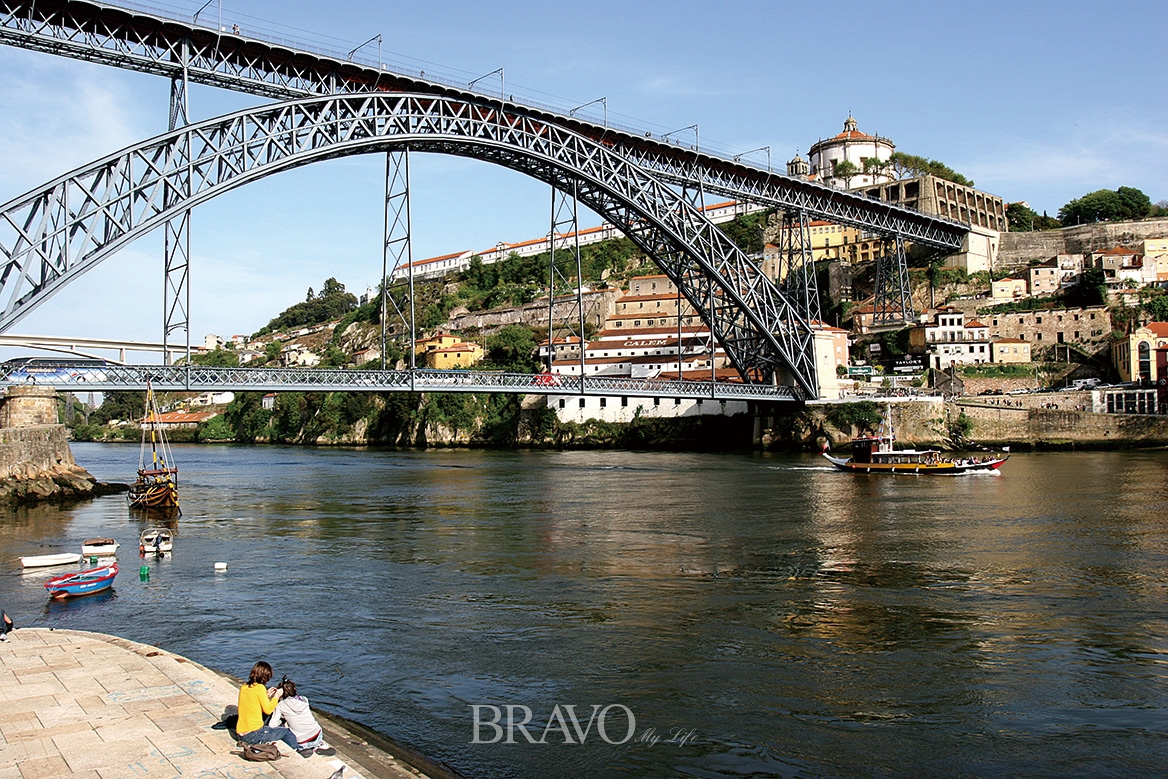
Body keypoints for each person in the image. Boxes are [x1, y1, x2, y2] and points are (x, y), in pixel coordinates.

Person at [236, 661, 300, 753]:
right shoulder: (260, 688)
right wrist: (276, 696)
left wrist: (266, 696)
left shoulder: (244, 687)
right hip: (253, 735)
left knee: (267, 721)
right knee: (286, 732)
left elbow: (253, 704)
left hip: (241, 734)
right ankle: (298, 749)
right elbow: (268, 711)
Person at [268, 677, 337, 756]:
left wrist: (281, 720)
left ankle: (302, 749)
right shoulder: (304, 700)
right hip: (318, 734)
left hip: (302, 741)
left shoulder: (280, 705)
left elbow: (272, 725)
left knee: (284, 731)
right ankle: (318, 745)